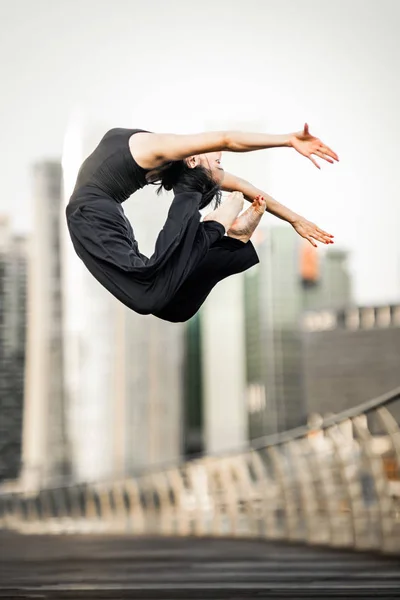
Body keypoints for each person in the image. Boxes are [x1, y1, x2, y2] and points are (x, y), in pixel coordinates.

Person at [65, 124, 338, 323]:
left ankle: (232, 240)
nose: (220, 168)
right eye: (217, 161)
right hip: (88, 213)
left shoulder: (182, 164)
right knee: (148, 296)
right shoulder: (159, 147)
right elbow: (227, 138)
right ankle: (215, 227)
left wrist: (296, 220)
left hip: (108, 216)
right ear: (194, 156)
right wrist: (288, 139)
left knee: (175, 307)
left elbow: (245, 187)